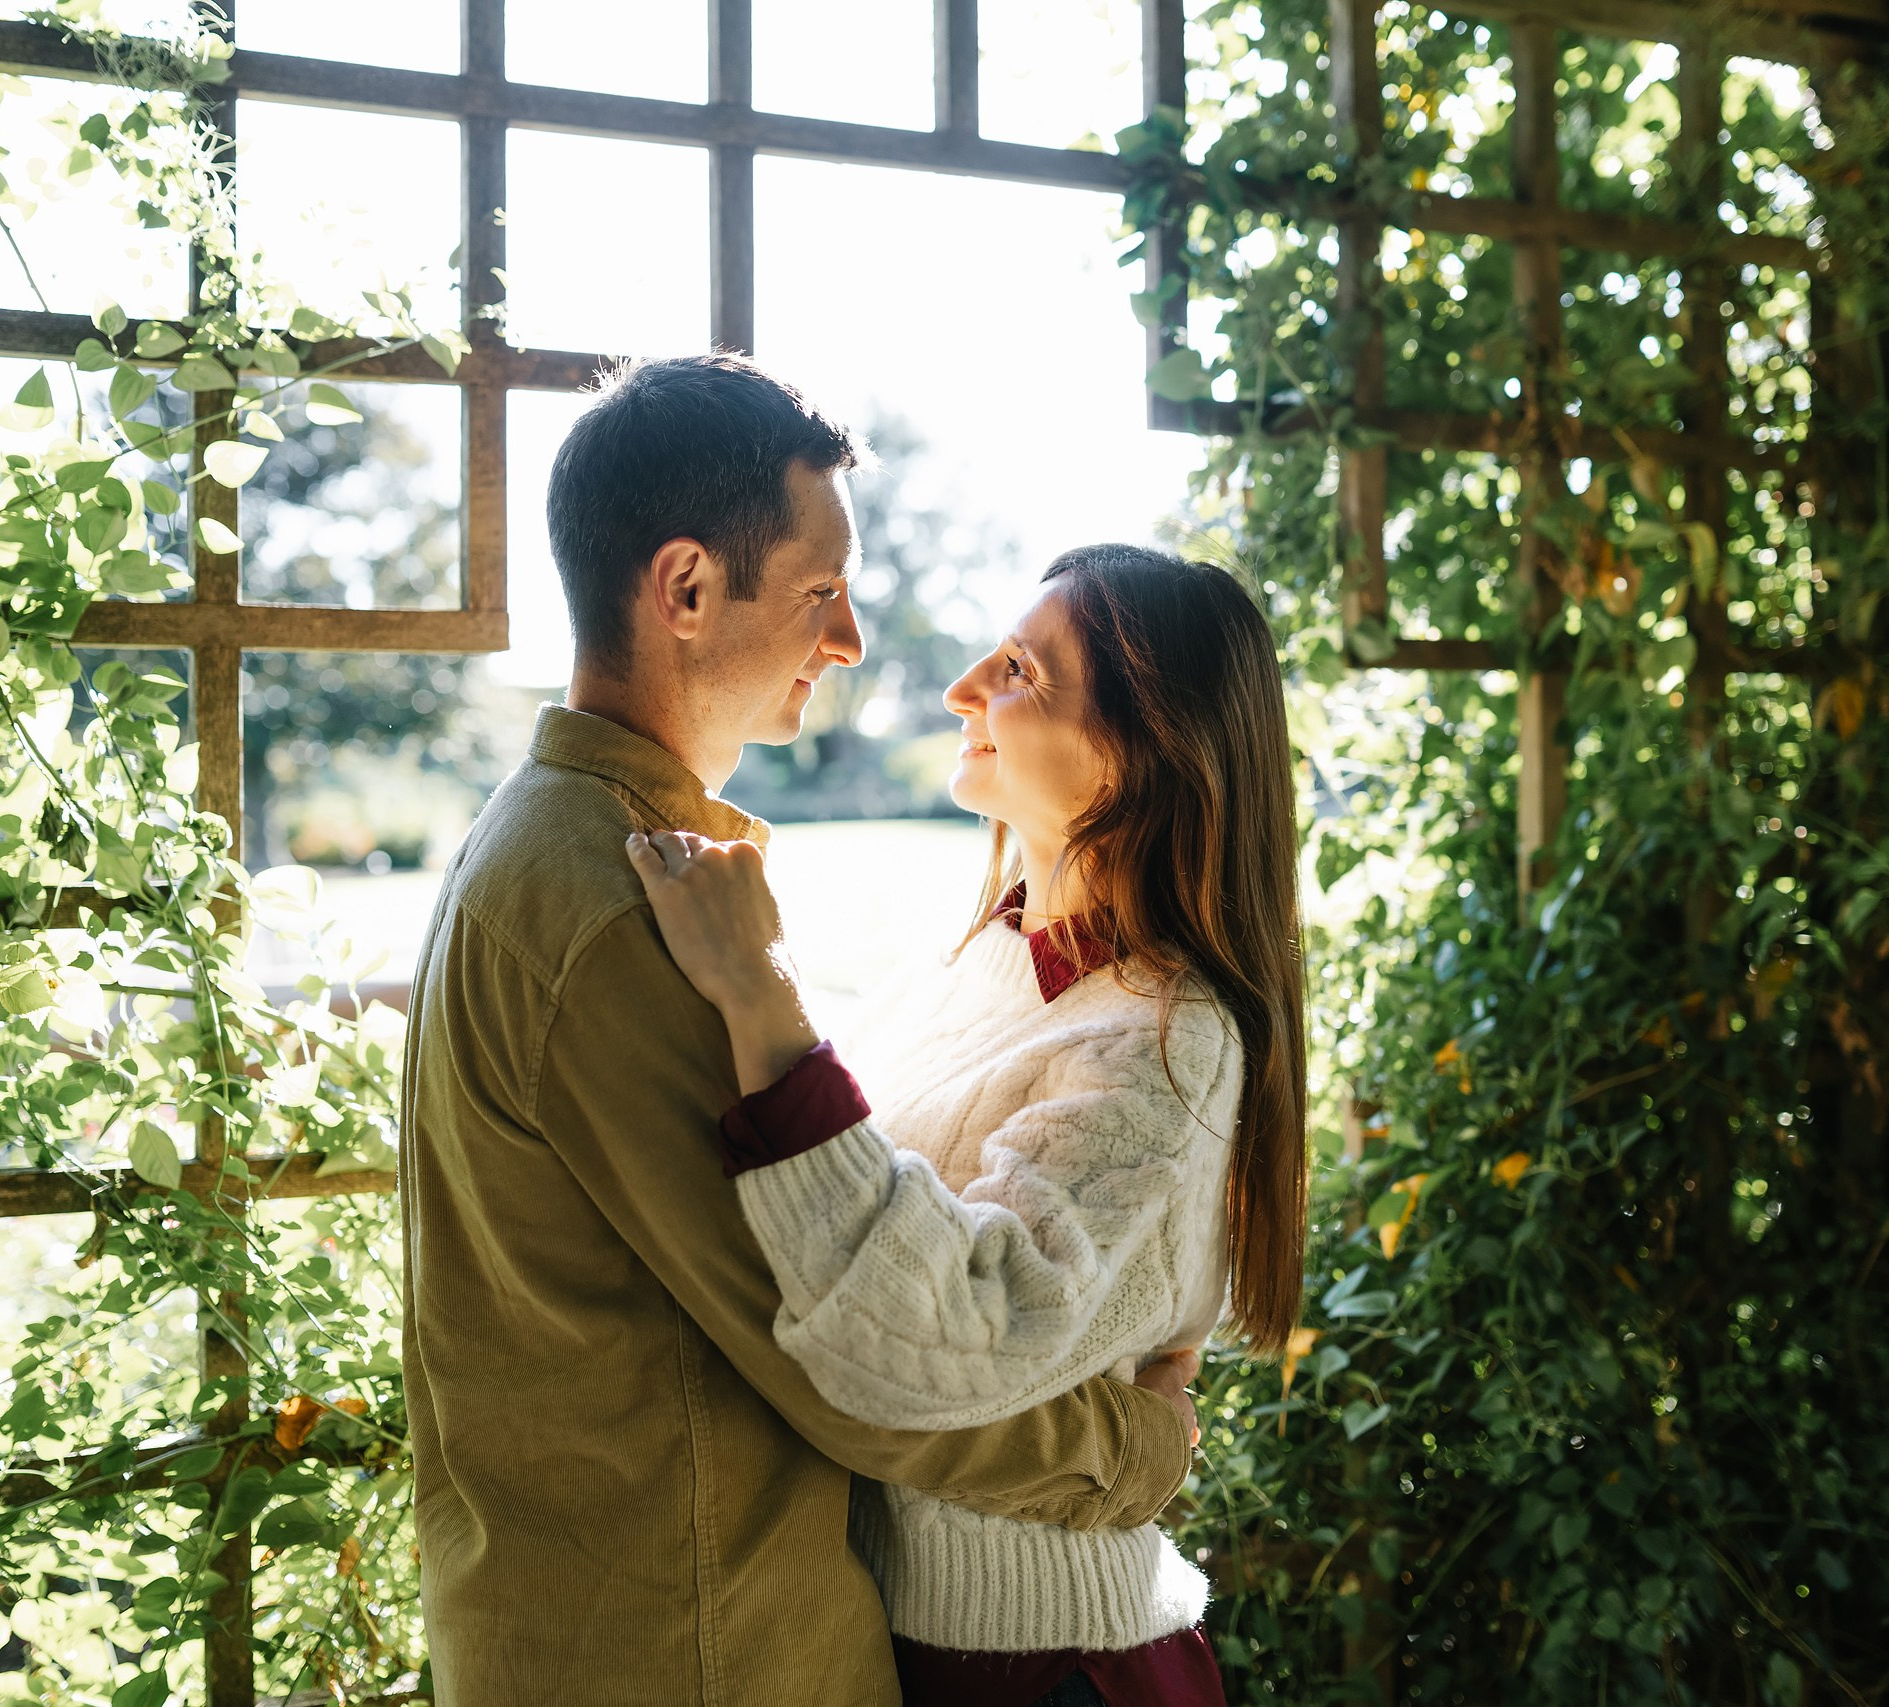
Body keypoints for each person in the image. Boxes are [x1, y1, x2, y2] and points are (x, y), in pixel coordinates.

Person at [398, 356, 1202, 1707]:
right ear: (689, 588)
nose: (854, 644)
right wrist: (1134, 1447)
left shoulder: (549, 842)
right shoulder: (622, 903)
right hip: (702, 1650)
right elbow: (854, 1355)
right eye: (824, 591)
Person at [628, 544, 1310, 1707]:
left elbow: (935, 1341)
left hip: (1053, 1672)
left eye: (1021, 673)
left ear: (1139, 752)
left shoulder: (1166, 1034)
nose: (960, 691)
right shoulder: (987, 954)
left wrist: (758, 995)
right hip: (904, 1646)